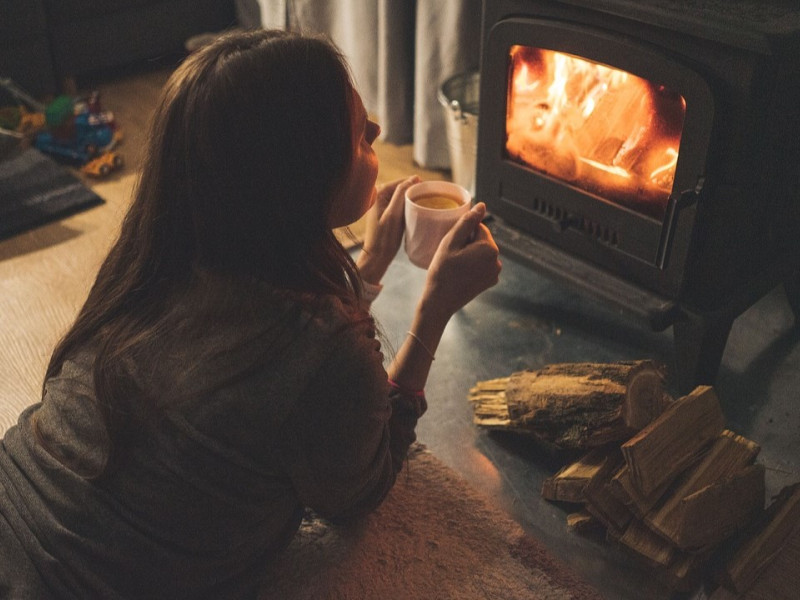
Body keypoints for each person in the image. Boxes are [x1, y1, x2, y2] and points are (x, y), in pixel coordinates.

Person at [0, 29, 501, 599]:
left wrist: (368, 270)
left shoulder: (152, 262)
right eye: (355, 132)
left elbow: (267, 377)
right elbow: (358, 491)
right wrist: (432, 310)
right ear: (295, 174)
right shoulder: (325, 354)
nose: (377, 132)